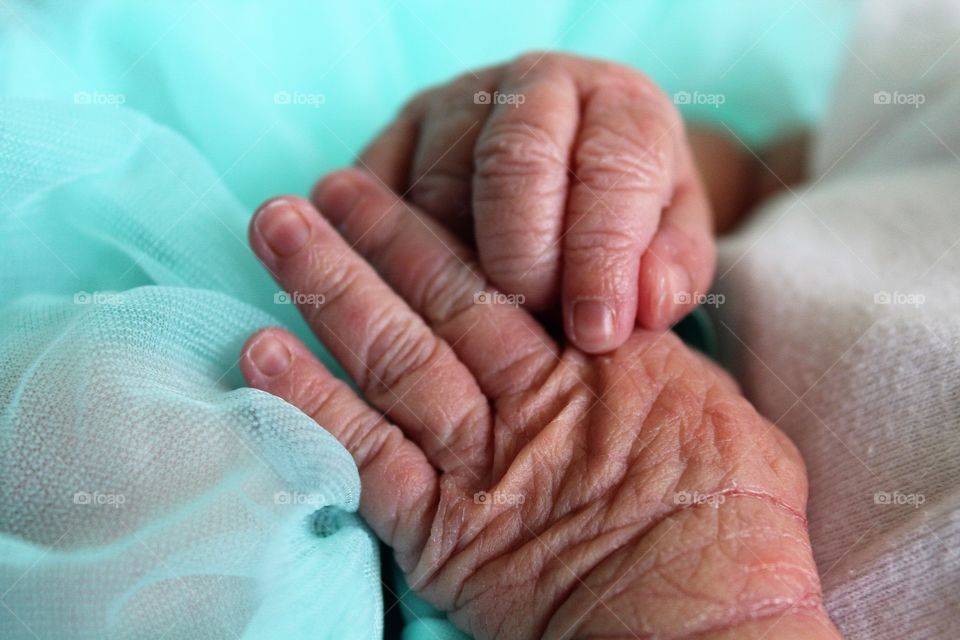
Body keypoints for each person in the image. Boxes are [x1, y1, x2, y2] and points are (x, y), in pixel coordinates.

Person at [239, 52, 842, 638]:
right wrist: (599, 175)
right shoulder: (934, 86)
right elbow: (771, 174)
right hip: (492, 413)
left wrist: (695, 597)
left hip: (548, 548)